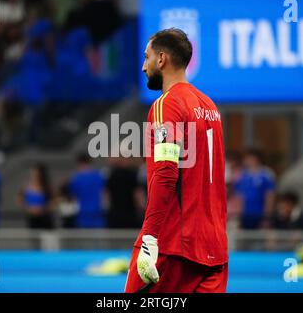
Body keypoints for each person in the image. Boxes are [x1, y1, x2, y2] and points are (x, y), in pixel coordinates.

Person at [125, 29, 228, 293]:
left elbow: (166, 172)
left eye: (146, 57)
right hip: (215, 252)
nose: (142, 66)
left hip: (172, 246)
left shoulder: (167, 104)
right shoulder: (210, 107)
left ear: (161, 59)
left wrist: (149, 238)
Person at [234, 149, 276, 229]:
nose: (244, 160)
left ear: (255, 158)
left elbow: (270, 196)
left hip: (260, 214)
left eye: (247, 158)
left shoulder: (267, 174)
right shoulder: (242, 174)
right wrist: (239, 215)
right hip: (245, 215)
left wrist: (267, 216)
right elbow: (239, 197)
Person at [68, 154, 106, 228]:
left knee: (84, 237)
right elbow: (104, 194)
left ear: (79, 163)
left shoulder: (76, 179)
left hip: (83, 214)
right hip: (98, 213)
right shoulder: (99, 176)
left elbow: (73, 197)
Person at [105, 156, 140, 228]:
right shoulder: (132, 175)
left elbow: (106, 194)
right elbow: (137, 194)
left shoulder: (112, 175)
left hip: (115, 213)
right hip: (130, 213)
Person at [17, 163, 54, 229]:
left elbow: (54, 202)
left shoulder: (47, 187)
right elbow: (20, 200)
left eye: (37, 174)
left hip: (45, 219)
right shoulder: (26, 187)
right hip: (32, 219)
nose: (35, 175)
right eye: (34, 173)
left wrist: (43, 209)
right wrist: (29, 209)